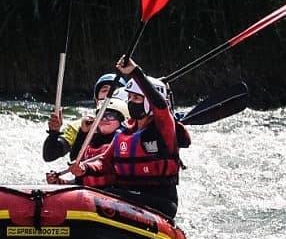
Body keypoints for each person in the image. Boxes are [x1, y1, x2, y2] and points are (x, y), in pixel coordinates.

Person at [55, 57, 184, 220]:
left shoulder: (164, 129)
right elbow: (103, 162)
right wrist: (84, 168)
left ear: (148, 103)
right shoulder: (125, 133)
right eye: (129, 98)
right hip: (127, 197)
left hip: (160, 202)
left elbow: (160, 107)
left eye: (136, 98)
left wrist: (136, 72)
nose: (131, 102)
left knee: (107, 195)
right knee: (101, 194)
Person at [42, 72, 121, 162]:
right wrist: (54, 132)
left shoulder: (132, 125)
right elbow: (49, 155)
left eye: (114, 90)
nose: (109, 95)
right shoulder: (82, 125)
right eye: (104, 90)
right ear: (96, 99)